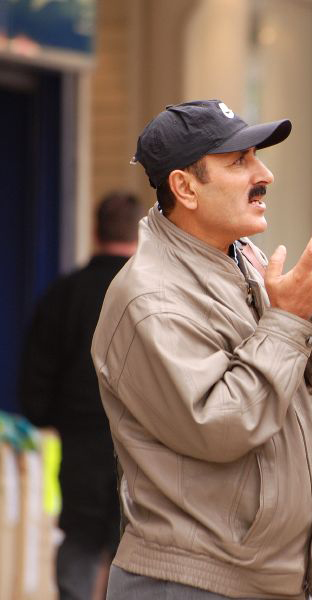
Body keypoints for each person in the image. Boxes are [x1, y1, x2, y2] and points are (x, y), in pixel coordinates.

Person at [91, 100, 312, 599]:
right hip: (192, 582)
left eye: (255, 156)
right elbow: (222, 423)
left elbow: (306, 378)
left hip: (257, 578)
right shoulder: (151, 297)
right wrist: (286, 319)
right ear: (184, 187)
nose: (264, 174)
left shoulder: (240, 261)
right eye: (239, 161)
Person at [18, 192, 146, 600]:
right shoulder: (152, 296)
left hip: (77, 448)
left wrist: (50, 417)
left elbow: (35, 383)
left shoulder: (63, 294)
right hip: (144, 449)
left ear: (95, 231)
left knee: (78, 543)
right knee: (137, 551)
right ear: (141, 235)